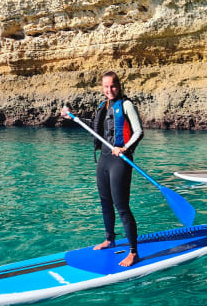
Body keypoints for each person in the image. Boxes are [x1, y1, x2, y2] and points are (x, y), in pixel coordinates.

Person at [61, 71, 143, 267]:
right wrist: (73, 117)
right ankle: (109, 239)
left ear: (119, 86)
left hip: (120, 160)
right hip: (104, 160)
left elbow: (139, 131)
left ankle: (133, 252)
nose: (109, 90)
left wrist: (125, 147)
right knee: (105, 202)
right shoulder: (102, 105)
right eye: (106, 87)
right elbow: (97, 128)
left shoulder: (126, 105)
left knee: (121, 206)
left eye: (113, 86)